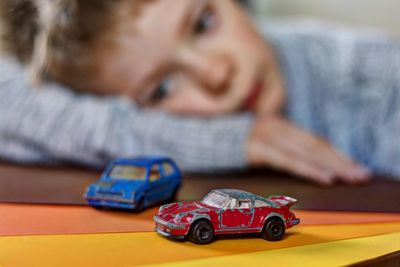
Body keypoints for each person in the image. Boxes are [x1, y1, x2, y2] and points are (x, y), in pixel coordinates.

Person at [1, 0, 399, 185]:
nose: (215, 73)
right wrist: (230, 140)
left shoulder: (369, 79)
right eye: (162, 88)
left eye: (204, 23)